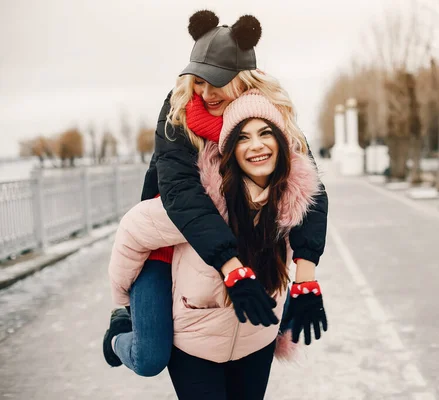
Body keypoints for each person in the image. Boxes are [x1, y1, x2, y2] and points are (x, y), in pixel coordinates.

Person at [102, 10, 329, 377]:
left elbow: (309, 188)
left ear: (244, 80)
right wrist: (231, 267)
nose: (205, 92)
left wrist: (306, 273)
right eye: (199, 80)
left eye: (217, 82)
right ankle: (118, 332)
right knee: (151, 356)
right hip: (167, 241)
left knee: (274, 315)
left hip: (236, 242)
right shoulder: (178, 112)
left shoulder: (267, 114)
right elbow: (182, 195)